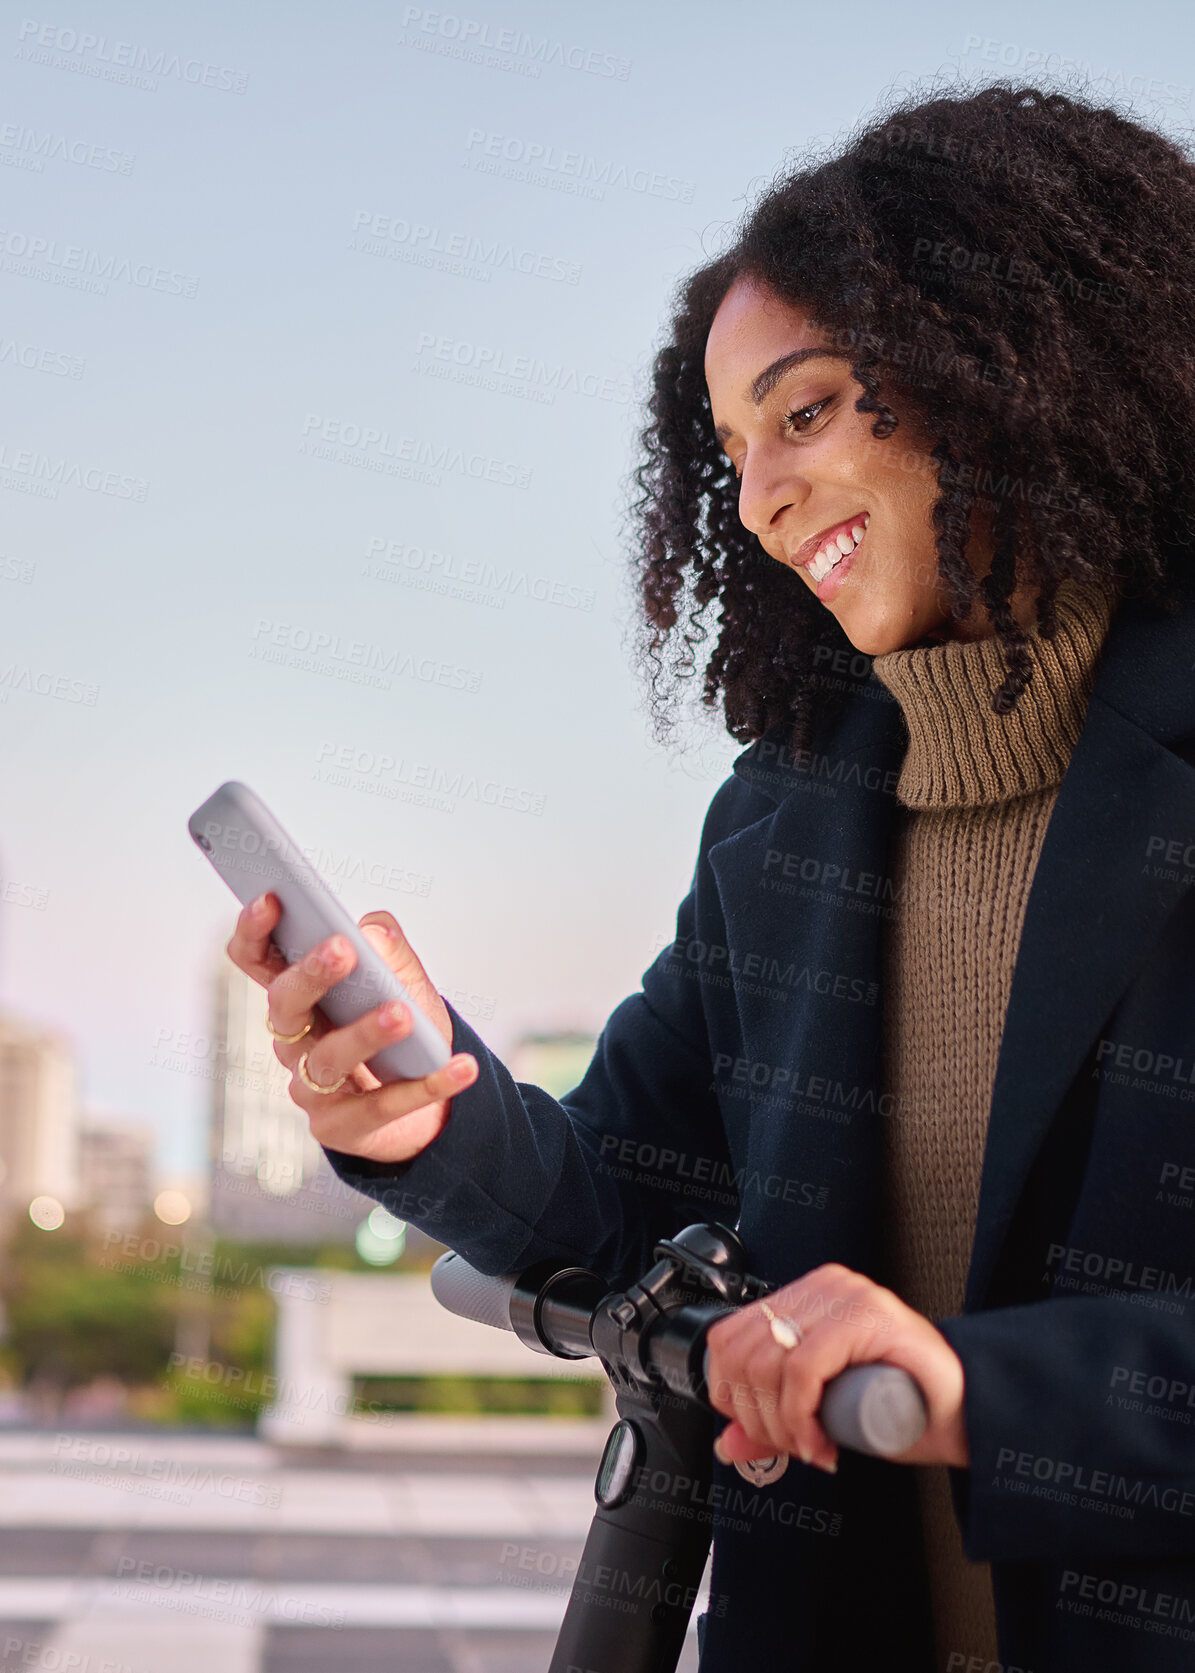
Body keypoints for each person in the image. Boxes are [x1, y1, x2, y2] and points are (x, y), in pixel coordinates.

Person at [224, 82, 1195, 1672]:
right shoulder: (785, 821)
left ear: (1020, 372)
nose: (756, 498)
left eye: (806, 412)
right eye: (733, 449)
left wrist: (976, 1388)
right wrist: (423, 1105)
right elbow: (626, 1203)